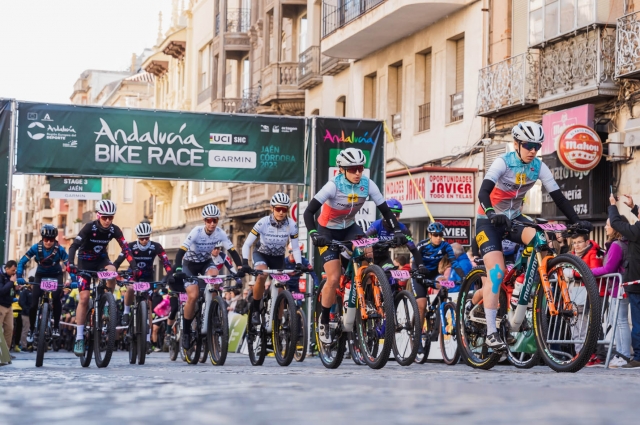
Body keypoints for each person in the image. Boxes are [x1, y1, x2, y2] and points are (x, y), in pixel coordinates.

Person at [475, 121, 592, 350]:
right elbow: (483, 192)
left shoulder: (538, 166)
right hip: (489, 221)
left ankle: (524, 289)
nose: (533, 150)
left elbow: (559, 197)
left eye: (537, 146)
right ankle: (491, 332)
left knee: (543, 241)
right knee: (497, 274)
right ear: (516, 144)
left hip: (515, 217)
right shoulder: (503, 162)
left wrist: (576, 221)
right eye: (528, 145)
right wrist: (491, 213)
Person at [303, 147, 408, 344]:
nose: (358, 172)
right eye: (353, 169)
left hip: (350, 228)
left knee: (368, 255)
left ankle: (366, 299)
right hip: (327, 231)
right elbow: (308, 213)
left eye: (360, 167)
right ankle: (324, 320)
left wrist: (397, 230)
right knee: (333, 278)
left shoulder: (367, 184)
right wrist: (314, 234)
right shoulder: (333, 185)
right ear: (342, 169)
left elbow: (386, 211)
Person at [67, 199, 139, 356]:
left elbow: (126, 249)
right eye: (104, 217)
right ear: (99, 215)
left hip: (101, 260)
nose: (107, 220)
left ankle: (107, 300)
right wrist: (70, 263)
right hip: (85, 262)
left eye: (111, 217)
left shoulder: (114, 230)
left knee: (112, 270)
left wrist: (133, 265)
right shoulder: (88, 227)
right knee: (84, 299)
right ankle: (79, 338)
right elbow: (73, 246)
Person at [172, 204, 244, 350]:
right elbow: (180, 252)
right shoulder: (196, 232)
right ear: (205, 220)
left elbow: (233, 251)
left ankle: (213, 310)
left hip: (206, 262)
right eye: (209, 220)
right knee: (193, 295)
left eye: (215, 220)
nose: (212, 223)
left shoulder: (220, 233)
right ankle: (186, 331)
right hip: (189, 264)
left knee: (214, 276)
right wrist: (179, 268)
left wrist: (241, 268)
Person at [242, 193, 303, 327]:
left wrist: (299, 264)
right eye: (278, 209)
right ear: (272, 208)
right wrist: (245, 263)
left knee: (281, 289)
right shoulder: (263, 222)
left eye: (284, 209)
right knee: (261, 275)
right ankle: (256, 310)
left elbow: (296, 247)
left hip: (278, 257)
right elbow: (247, 244)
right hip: (261, 254)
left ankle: (278, 322)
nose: (281, 212)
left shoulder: (291, 225)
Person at [113, 222, 173, 352]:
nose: (144, 241)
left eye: (147, 238)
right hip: (133, 275)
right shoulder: (130, 246)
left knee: (149, 307)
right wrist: (115, 273)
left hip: (147, 278)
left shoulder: (156, 247)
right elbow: (117, 262)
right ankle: (126, 312)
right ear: (137, 237)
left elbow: (166, 263)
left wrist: (167, 277)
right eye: (141, 238)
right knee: (130, 288)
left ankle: (147, 339)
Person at [583, 216, 631, 368]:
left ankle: (623, 355)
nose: (605, 227)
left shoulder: (617, 245)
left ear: (616, 227)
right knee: (616, 320)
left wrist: (587, 271)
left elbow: (609, 269)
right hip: (618, 287)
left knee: (620, 321)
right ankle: (621, 354)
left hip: (619, 287)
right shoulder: (621, 244)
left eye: (608, 224)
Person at [16, 224, 68, 342]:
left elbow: (69, 264)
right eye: (46, 239)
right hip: (41, 275)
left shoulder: (60, 249)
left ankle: (55, 328)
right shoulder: (35, 247)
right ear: (42, 238)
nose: (48, 242)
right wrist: (19, 276)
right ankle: (32, 329)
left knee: (56, 298)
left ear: (54, 239)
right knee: (34, 304)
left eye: (51, 240)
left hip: (56, 275)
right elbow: (22, 262)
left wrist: (73, 280)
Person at [608, 193, 640, 368]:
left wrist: (613, 205)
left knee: (637, 323)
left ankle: (638, 357)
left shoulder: (636, 231)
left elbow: (616, 223)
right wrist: (633, 207)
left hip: (636, 284)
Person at [364, 198, 424, 272]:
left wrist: (421, 265)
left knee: (391, 275)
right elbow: (364, 243)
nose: (394, 218)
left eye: (397, 214)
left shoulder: (402, 228)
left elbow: (413, 249)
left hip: (384, 258)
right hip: (369, 257)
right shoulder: (376, 226)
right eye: (392, 214)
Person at [0, 260, 18, 357]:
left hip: (9, 306)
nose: (14, 272)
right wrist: (11, 282)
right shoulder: (1, 276)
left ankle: (6, 353)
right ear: (6, 268)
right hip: (1, 305)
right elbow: (2, 291)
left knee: (9, 329)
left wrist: (16, 288)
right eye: (12, 270)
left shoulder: (11, 277)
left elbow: (10, 291)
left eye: (15, 270)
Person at [18, 282, 32, 350]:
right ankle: (24, 345)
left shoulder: (35, 292)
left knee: (31, 330)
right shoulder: (25, 292)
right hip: (26, 313)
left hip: (33, 314)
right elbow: (21, 302)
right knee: (25, 329)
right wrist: (26, 309)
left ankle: (31, 344)